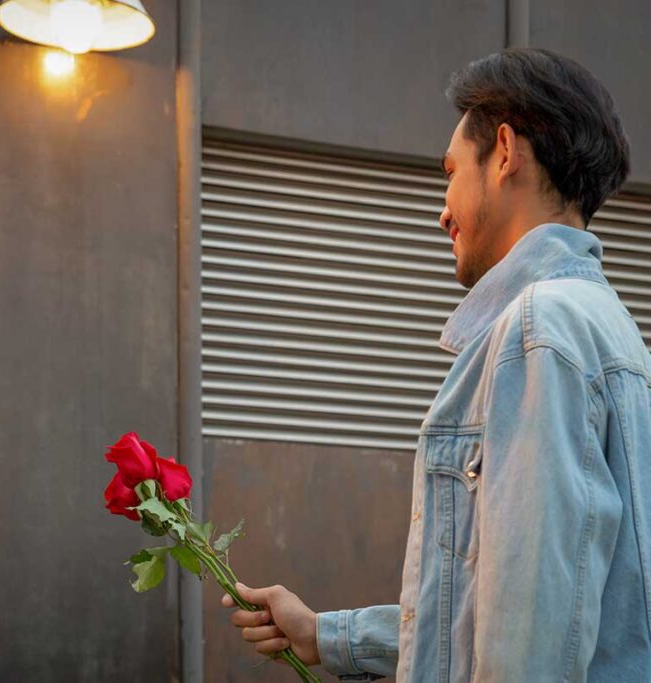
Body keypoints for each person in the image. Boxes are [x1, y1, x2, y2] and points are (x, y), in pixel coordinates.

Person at [224, 48, 646, 681]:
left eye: (450, 171)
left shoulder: (538, 330)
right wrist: (326, 634)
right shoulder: (613, 333)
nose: (442, 209)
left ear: (504, 152)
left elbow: (525, 646)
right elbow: (496, 610)